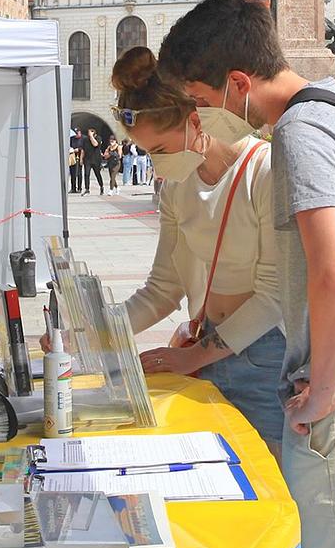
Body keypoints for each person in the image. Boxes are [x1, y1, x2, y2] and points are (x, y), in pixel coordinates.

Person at [159, 0, 335, 548]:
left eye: (200, 100)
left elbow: (334, 273)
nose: (201, 116)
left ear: (237, 83)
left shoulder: (301, 132)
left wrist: (323, 389)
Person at [112, 47, 286, 453]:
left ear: (195, 122)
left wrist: (192, 359)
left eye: (161, 150)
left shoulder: (265, 171)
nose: (156, 167)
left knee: (269, 474)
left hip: (265, 354)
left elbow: (274, 296)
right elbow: (161, 289)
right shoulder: (178, 186)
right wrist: (92, 333)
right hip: (206, 344)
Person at [81, 126, 105, 195]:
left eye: (90, 132)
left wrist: (91, 136)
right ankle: (87, 189)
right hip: (87, 159)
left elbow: (95, 144)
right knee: (86, 174)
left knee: (97, 174)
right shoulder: (85, 139)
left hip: (96, 159)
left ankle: (101, 186)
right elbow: (83, 150)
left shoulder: (98, 138)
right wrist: (81, 159)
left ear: (94, 132)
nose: (89, 133)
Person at [69, 128, 83, 193]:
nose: (76, 135)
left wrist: (79, 149)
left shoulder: (83, 139)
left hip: (79, 157)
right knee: (72, 173)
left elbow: (84, 147)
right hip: (72, 157)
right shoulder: (72, 139)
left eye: (77, 133)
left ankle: (79, 188)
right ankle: (73, 188)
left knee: (79, 173)